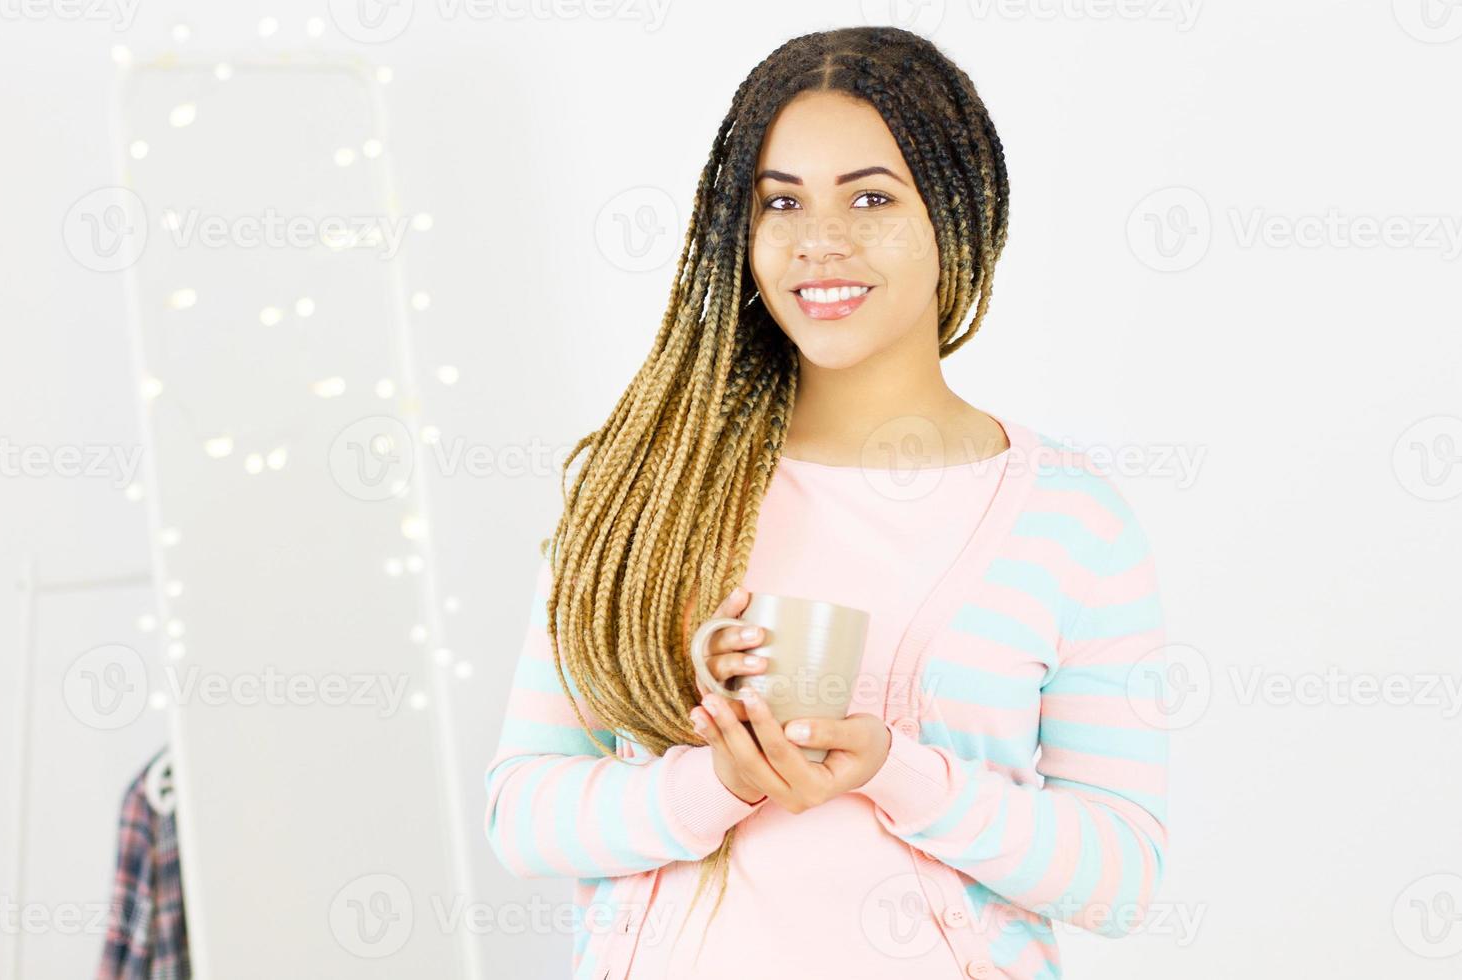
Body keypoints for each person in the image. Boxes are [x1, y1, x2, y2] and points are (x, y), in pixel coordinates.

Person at [483, 26, 1169, 979]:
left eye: (873, 197)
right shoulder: (649, 489)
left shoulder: (1073, 522)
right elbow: (522, 818)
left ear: (961, 218)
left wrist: (901, 772)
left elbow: (1120, 880)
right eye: (781, 202)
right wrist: (712, 780)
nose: (820, 243)